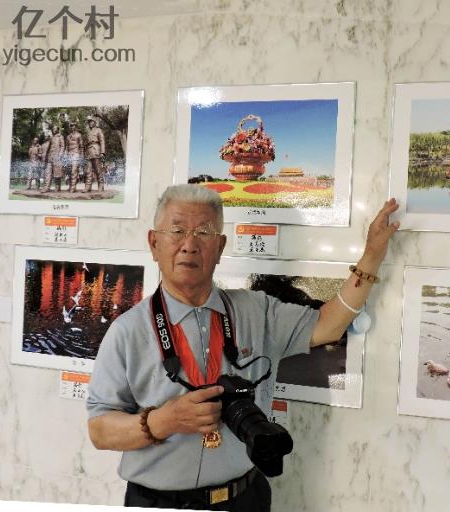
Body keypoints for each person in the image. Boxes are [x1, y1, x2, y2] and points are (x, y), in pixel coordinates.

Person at [86, 184, 399, 511]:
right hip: (158, 503)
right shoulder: (127, 331)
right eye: (177, 231)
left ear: (220, 247)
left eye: (204, 232)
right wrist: (163, 421)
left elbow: (329, 324)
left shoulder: (256, 311)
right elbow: (99, 430)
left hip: (245, 499)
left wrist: (373, 254)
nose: (189, 245)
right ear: (154, 243)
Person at [84, 116, 106, 192]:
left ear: (94, 122)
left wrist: (102, 152)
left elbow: (102, 141)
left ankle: (101, 185)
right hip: (88, 151)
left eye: (91, 122)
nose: (90, 123)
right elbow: (86, 143)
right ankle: (88, 187)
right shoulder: (88, 132)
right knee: (88, 171)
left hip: (96, 149)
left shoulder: (98, 130)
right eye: (89, 122)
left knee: (98, 169)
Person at [42, 125, 65, 192]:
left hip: (57, 157)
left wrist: (60, 155)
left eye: (55, 129)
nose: (53, 130)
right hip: (50, 157)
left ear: (58, 130)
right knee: (48, 172)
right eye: (53, 129)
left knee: (57, 173)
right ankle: (47, 187)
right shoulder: (51, 138)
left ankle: (57, 187)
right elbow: (48, 148)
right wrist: (46, 156)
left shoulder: (60, 137)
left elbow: (63, 146)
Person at [65, 121, 84, 192]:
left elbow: (81, 146)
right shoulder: (68, 136)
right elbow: (67, 147)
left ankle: (73, 187)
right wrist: (65, 155)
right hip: (69, 155)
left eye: (73, 125)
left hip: (76, 154)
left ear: (75, 127)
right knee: (69, 171)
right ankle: (70, 186)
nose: (72, 127)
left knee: (74, 171)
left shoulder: (79, 135)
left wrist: (82, 156)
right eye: (71, 126)